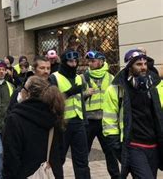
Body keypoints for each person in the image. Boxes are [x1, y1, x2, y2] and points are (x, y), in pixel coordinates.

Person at [103, 49, 163, 178]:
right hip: (134, 146)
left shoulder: (156, 85)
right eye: (139, 64)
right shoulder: (115, 89)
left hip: (153, 146)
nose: (143, 67)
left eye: (145, 64)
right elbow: (109, 121)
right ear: (129, 66)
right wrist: (118, 148)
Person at [3, 76, 65, 178]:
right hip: (51, 174)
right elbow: (61, 153)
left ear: (29, 94)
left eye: (24, 88)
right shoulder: (54, 114)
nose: (20, 91)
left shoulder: (15, 119)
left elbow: (11, 160)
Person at [49, 50, 90, 179]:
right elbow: (53, 101)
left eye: (75, 61)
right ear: (64, 62)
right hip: (63, 124)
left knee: (82, 159)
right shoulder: (54, 77)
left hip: (78, 122)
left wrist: (85, 97)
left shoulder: (78, 77)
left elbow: (79, 101)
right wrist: (70, 92)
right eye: (70, 61)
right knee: (59, 158)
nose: (73, 64)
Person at [83, 51, 120, 178]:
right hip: (88, 121)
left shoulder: (111, 78)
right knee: (83, 154)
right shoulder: (83, 77)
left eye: (93, 61)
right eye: (89, 61)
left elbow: (117, 98)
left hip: (105, 121)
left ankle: (116, 177)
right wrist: (85, 94)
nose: (90, 63)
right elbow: (76, 98)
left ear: (101, 61)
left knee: (110, 153)